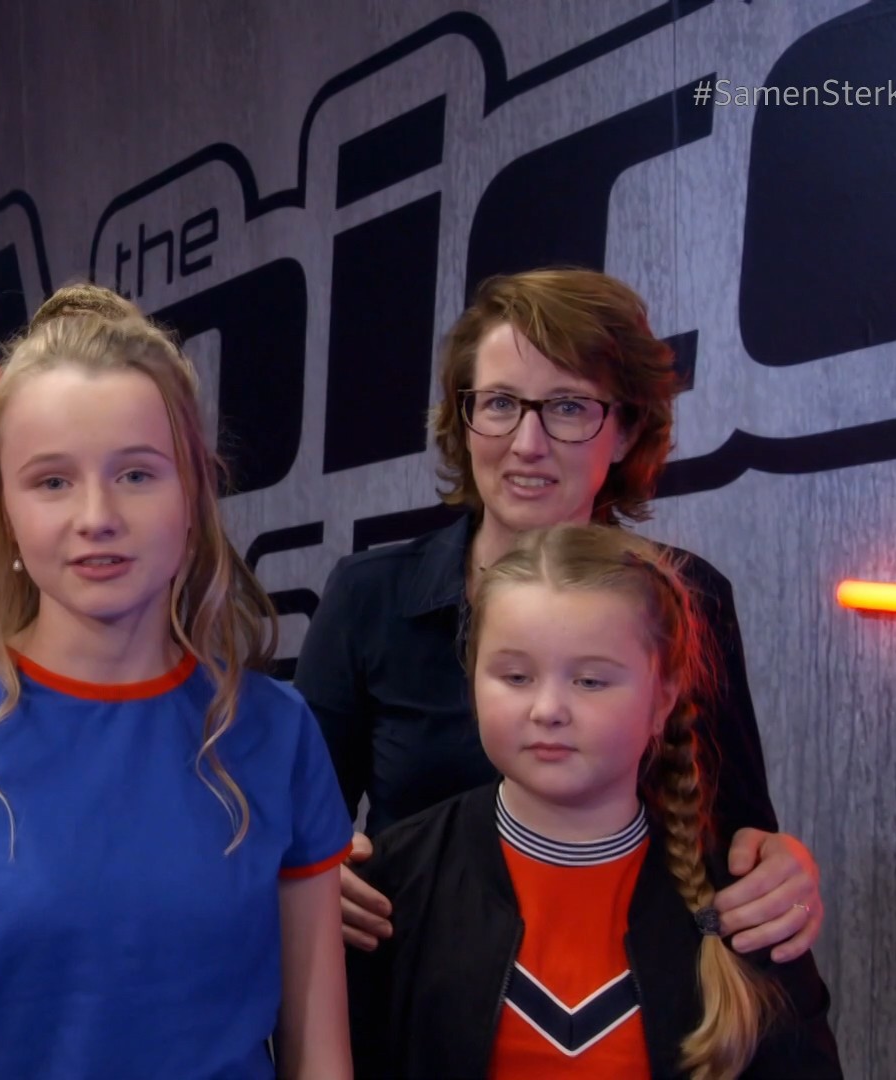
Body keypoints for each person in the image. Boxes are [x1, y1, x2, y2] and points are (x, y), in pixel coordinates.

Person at [0, 284, 353, 1080]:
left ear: (193, 496)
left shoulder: (275, 731)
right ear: (7, 513)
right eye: (52, 482)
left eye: (137, 475)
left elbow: (320, 1056)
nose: (96, 515)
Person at [295, 268, 823, 960]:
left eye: (569, 407)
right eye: (500, 403)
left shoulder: (689, 595)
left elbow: (737, 829)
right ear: (463, 419)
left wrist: (780, 867)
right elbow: (294, 823)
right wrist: (309, 877)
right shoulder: (369, 595)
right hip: (417, 980)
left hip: (622, 979)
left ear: (626, 431)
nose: (527, 443)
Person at [346, 523, 841, 1079]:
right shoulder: (387, 889)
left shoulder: (745, 903)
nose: (548, 710)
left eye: (590, 682)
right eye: (516, 676)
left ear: (663, 698)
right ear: (473, 679)